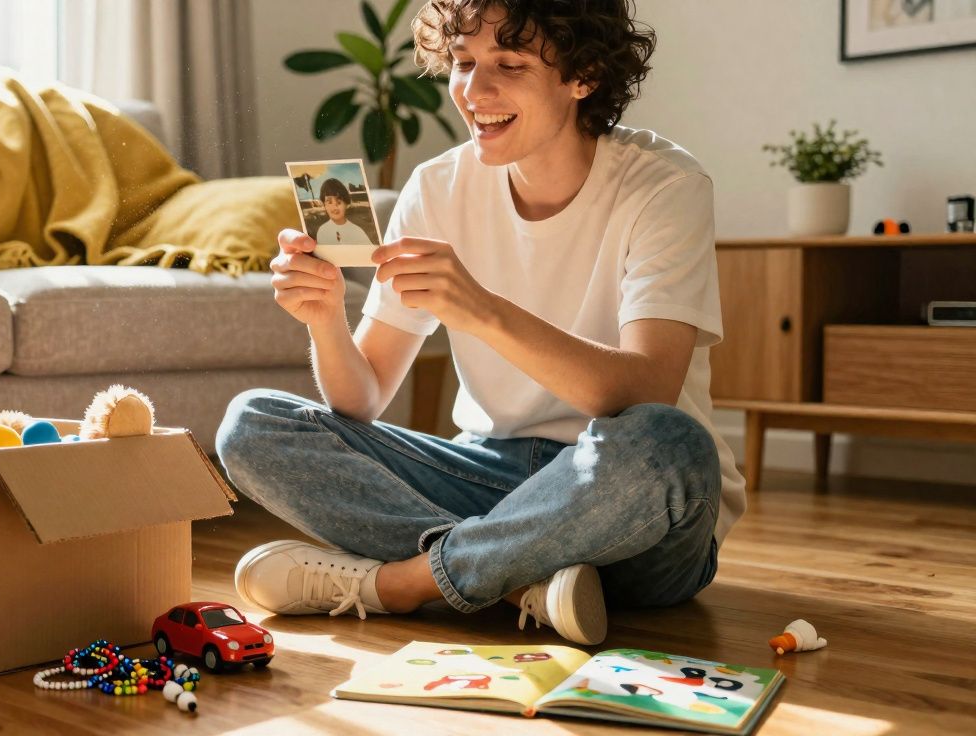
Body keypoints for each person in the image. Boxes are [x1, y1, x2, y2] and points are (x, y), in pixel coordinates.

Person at [216, 0, 744, 646]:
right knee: (250, 424)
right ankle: (519, 581)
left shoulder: (665, 187)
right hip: (486, 479)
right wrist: (326, 319)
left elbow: (646, 392)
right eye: (464, 62)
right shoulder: (436, 189)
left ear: (585, 73)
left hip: (625, 503)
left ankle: (404, 584)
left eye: (509, 64)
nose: (474, 91)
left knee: (671, 444)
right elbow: (362, 397)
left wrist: (482, 310)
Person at [314, 178, 374, 245]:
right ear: (324, 205)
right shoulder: (322, 231)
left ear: (346, 204)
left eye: (339, 202)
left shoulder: (357, 231)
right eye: (330, 202)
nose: (335, 206)